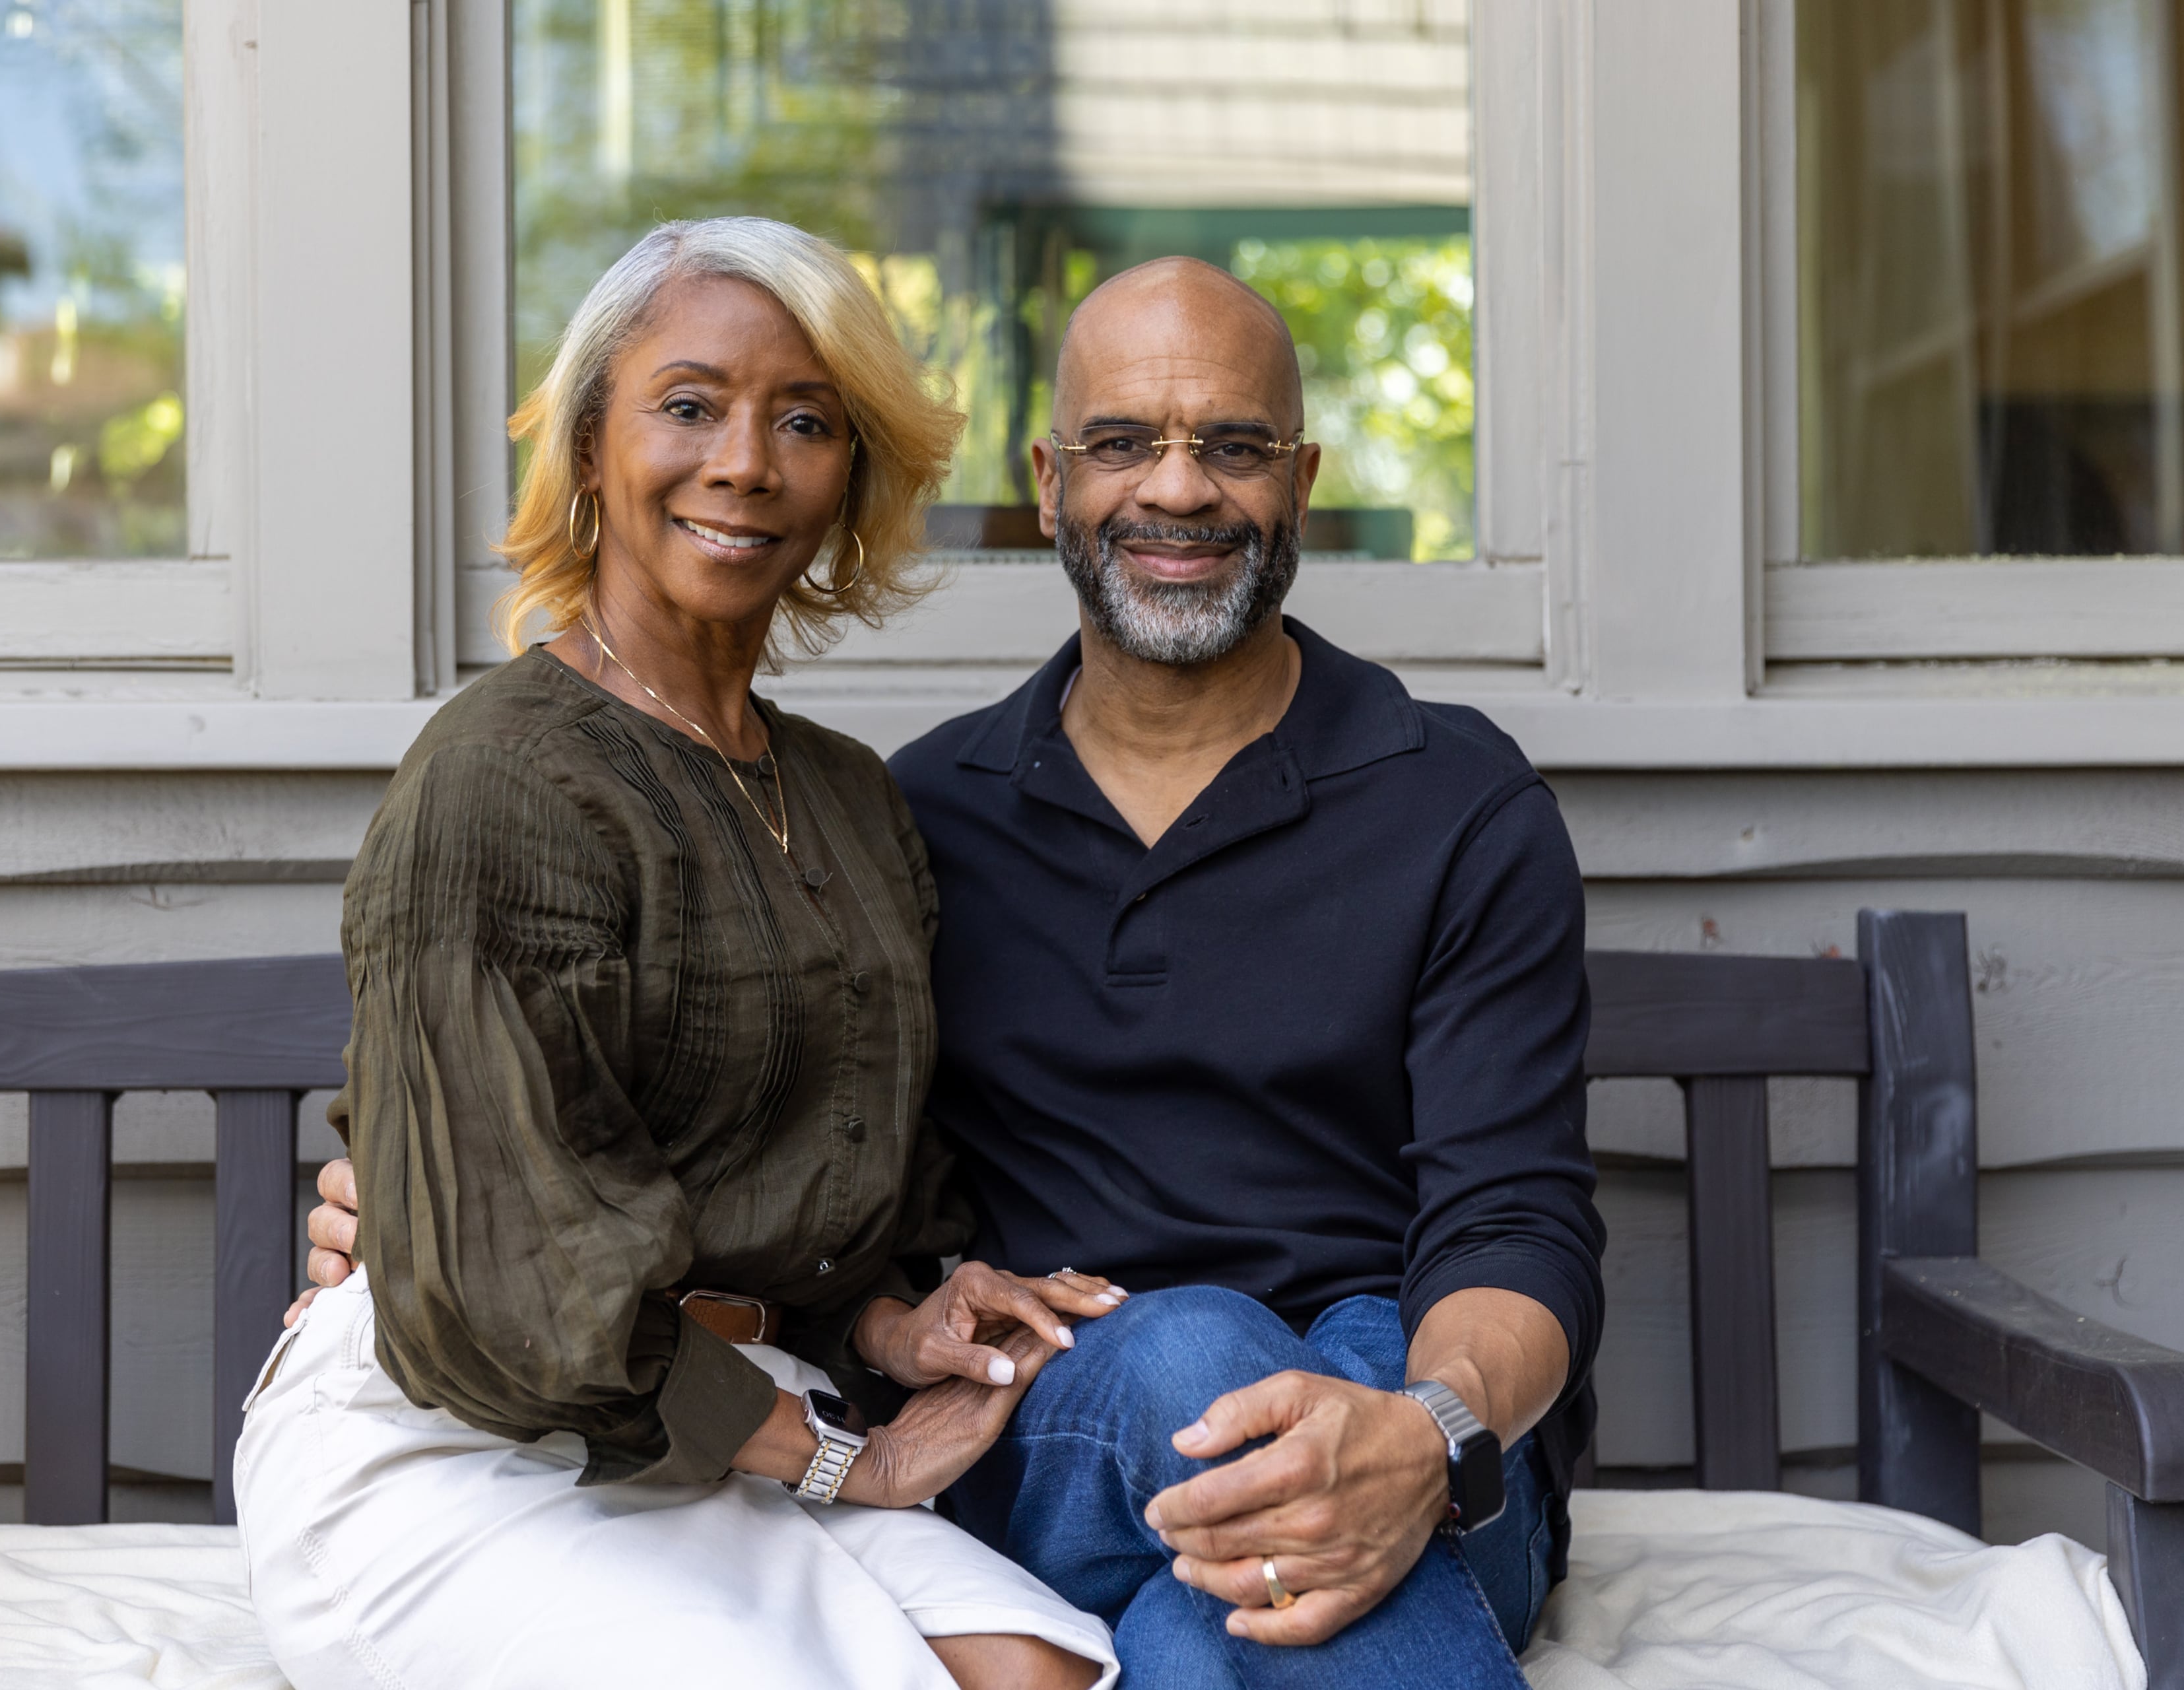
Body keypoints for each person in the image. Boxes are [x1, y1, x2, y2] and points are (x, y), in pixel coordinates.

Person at [301, 257, 1601, 1688]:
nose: (1178, 488)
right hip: (1058, 1406)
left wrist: (1425, 1429)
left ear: (1299, 483)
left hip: (1419, 1425)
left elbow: (1515, 1219)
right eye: (1123, 442)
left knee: (1191, 1628)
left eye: (1233, 447)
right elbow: (678, 1140)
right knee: (1195, 1352)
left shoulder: (1455, 801)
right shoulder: (933, 812)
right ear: (1049, 484)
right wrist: (429, 1196)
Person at [237, 217, 1119, 1690]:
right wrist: (848, 1459)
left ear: (851, 476)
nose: (747, 463)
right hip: (459, 1437)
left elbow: (811, 1191)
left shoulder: (848, 798)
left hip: (719, 1403)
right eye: (691, 405)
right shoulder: (502, 779)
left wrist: (897, 1323)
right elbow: (503, 1291)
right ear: (592, 446)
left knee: (1045, 1670)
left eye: (806, 421)